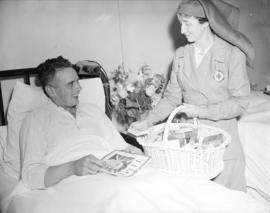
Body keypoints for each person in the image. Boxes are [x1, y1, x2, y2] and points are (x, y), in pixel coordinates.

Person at [130, 0, 255, 192]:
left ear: (207, 23)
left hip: (223, 147)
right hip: (191, 147)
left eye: (187, 23)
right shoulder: (180, 56)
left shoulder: (231, 55)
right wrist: (148, 121)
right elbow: (171, 99)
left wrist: (202, 111)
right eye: (181, 23)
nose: (181, 30)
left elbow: (241, 103)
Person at [19, 56, 141, 189]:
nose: (79, 88)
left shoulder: (93, 110)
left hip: (113, 173)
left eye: (77, 81)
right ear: (51, 90)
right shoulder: (36, 119)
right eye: (71, 84)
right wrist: (72, 167)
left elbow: (121, 147)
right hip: (73, 183)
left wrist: (134, 152)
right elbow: (30, 176)